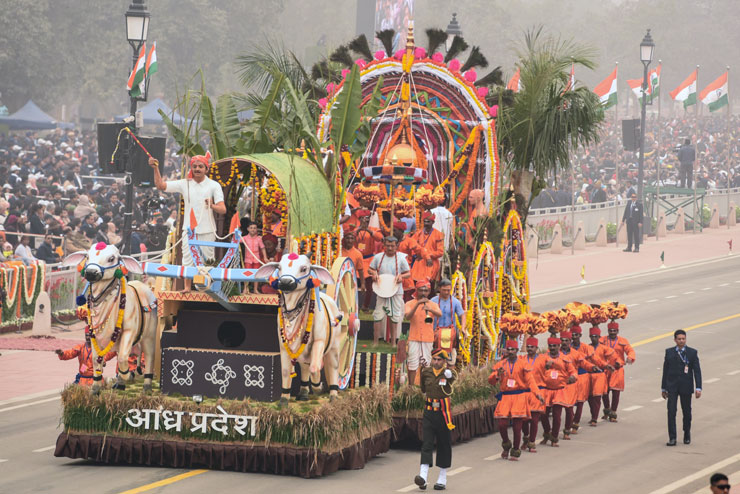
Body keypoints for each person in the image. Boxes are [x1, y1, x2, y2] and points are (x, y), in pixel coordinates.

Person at [150, 154, 225, 289]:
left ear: (206, 169)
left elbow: (222, 209)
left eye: (200, 166)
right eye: (195, 166)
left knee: (207, 259)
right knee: (187, 259)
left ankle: (206, 287)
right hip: (189, 229)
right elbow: (161, 185)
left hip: (208, 229)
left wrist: (212, 205)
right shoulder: (185, 184)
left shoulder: (214, 185)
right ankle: (187, 287)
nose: (197, 169)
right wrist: (155, 168)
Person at [489, 340, 543, 461]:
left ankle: (515, 450)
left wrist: (538, 394)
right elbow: (491, 381)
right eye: (508, 349)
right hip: (506, 397)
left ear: (517, 351)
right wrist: (497, 375)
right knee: (502, 424)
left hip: (519, 397)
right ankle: (506, 444)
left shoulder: (523, 364)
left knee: (517, 426)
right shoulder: (501, 364)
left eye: (513, 350)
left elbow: (531, 381)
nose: (510, 352)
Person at [416, 348, 456, 491]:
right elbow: (423, 389)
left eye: (439, 360)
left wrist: (449, 374)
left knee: (444, 444)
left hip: (443, 413)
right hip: (429, 412)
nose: (436, 362)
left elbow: (453, 378)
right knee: (426, 443)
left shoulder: (448, 374)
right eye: (434, 359)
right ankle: (423, 476)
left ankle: (442, 478)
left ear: (444, 361)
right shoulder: (426, 372)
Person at [531, 337, 577, 446]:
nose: (552, 348)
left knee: (557, 415)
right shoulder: (542, 358)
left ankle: (554, 438)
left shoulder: (565, 359)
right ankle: (547, 432)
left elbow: (573, 372)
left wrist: (572, 377)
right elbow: (534, 366)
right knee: (543, 415)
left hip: (559, 391)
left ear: (558, 346)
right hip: (545, 391)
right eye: (550, 346)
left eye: (554, 346)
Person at [661, 329, 702, 446]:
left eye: (683, 339)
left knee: (687, 412)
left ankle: (687, 432)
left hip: (686, 386)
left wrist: (698, 387)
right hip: (672, 387)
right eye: (679, 339)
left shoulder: (692, 353)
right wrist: (663, 388)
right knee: (671, 412)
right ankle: (672, 437)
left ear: (685, 339)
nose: (681, 341)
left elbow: (697, 371)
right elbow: (665, 371)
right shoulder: (669, 352)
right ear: (675, 340)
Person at [368, 236, 410, 348]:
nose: (390, 248)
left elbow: (408, 273)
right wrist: (374, 273)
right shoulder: (378, 257)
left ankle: (393, 343)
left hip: (396, 290)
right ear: (384, 246)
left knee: (395, 315)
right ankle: (375, 341)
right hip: (381, 289)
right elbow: (370, 269)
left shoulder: (401, 259)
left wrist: (401, 276)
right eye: (388, 245)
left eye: (392, 246)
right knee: (378, 314)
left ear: (396, 246)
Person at [404, 279, 441, 385]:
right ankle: (410, 387)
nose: (423, 293)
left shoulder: (432, 304)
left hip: (427, 338)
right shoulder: (410, 303)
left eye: (426, 290)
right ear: (417, 290)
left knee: (426, 364)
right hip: (414, 338)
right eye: (421, 290)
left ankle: (425, 387)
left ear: (429, 292)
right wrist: (417, 305)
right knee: (412, 364)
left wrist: (430, 309)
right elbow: (407, 317)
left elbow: (439, 314)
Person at [601, 321, 636, 422]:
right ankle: (607, 409)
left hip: (617, 369)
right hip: (605, 369)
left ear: (617, 331)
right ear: (608, 331)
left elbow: (630, 350)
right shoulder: (602, 340)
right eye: (610, 330)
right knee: (604, 391)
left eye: (614, 331)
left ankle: (613, 412)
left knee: (616, 392)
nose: (612, 332)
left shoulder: (623, 341)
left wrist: (630, 358)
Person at [587, 327, 619, 426]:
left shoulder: (604, 348)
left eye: (595, 337)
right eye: (592, 337)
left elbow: (614, 356)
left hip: (600, 375)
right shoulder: (587, 347)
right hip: (589, 375)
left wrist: (616, 363)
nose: (593, 338)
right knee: (590, 398)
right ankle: (593, 414)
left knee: (597, 397)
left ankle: (594, 418)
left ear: (599, 337)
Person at [431, 278, 466, 367]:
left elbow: (462, 315)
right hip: (436, 335)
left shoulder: (455, 302)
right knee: (436, 361)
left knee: (451, 362)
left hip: (450, 335)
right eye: (444, 290)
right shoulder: (433, 301)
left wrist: (463, 328)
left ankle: (450, 379)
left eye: (448, 290)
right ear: (439, 289)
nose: (446, 292)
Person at [521, 337, 545, 452]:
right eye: (528, 347)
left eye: (532, 347)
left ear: (536, 348)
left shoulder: (543, 359)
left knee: (535, 419)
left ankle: (532, 442)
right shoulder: (521, 359)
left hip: (538, 393)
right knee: (524, 420)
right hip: (525, 393)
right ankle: (526, 437)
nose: (530, 349)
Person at [410, 212, 445, 287]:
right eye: (424, 221)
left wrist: (426, 255)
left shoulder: (438, 234)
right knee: (417, 286)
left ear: (433, 222)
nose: (426, 223)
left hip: (431, 264)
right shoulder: (418, 233)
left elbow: (440, 252)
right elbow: (412, 246)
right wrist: (416, 254)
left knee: (428, 287)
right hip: (418, 265)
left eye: (428, 221)